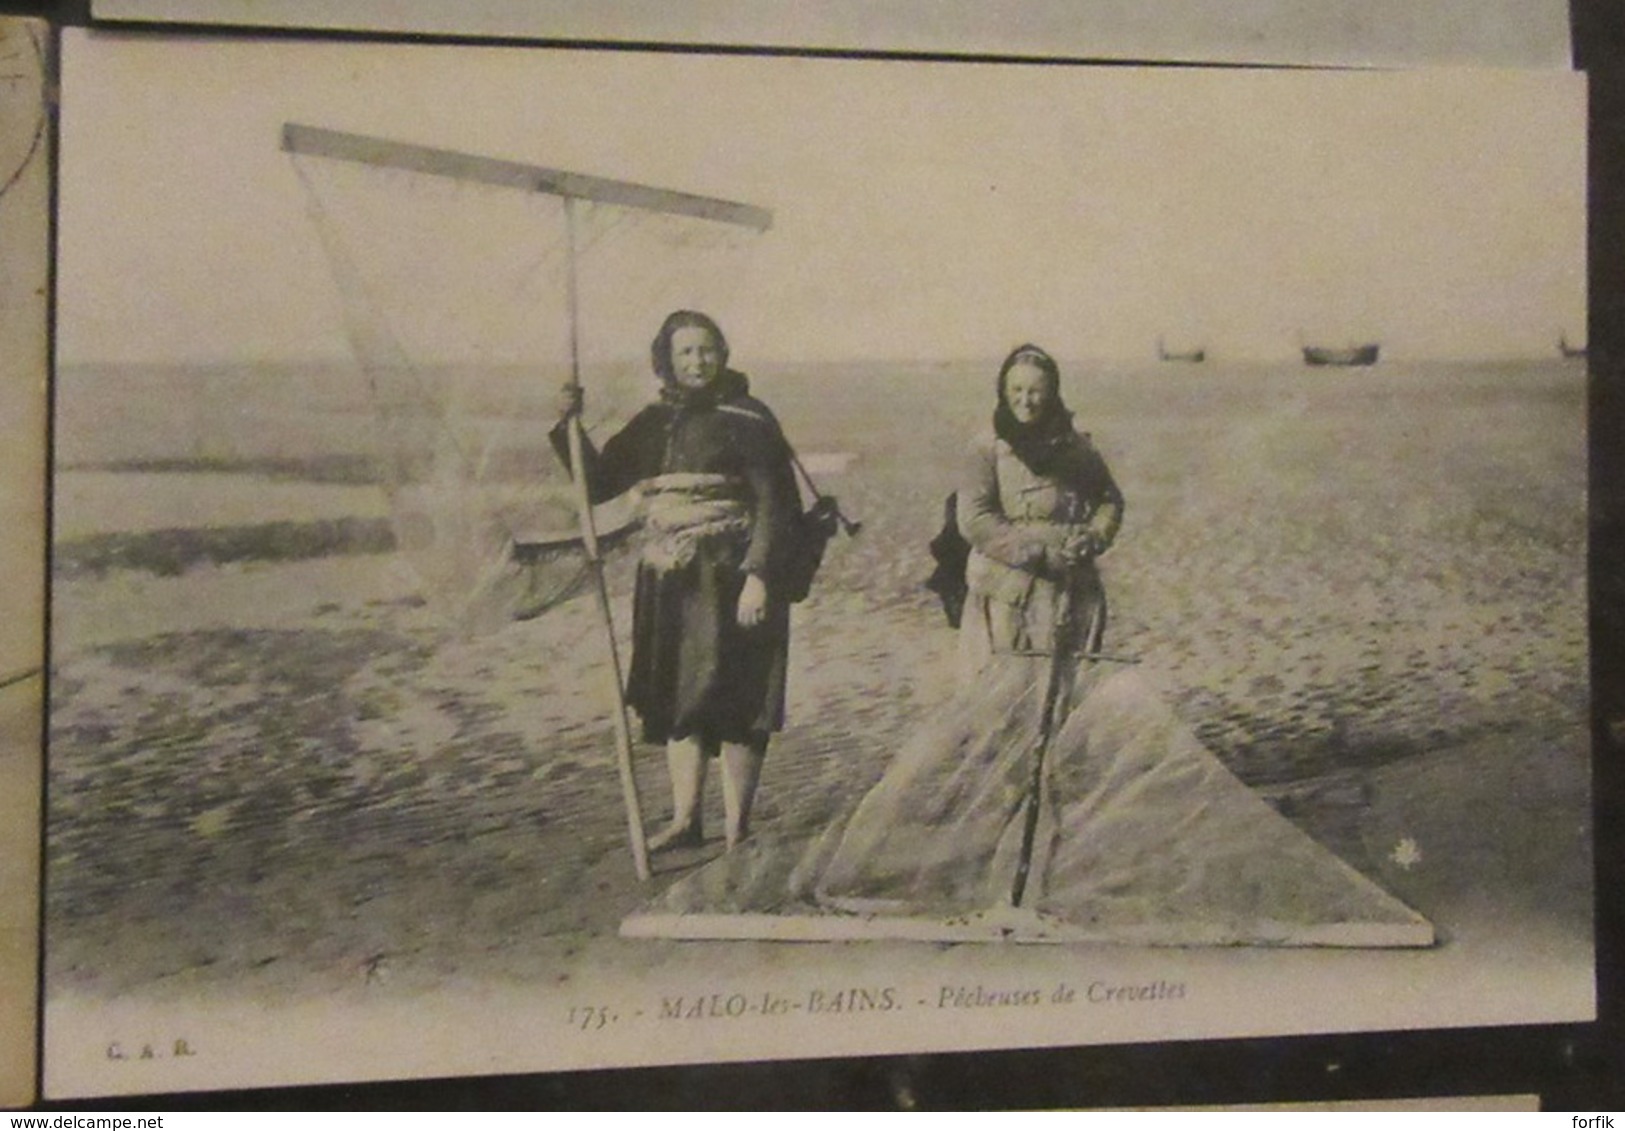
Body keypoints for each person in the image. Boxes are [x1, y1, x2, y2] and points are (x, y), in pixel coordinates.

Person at [795, 343, 1125, 913]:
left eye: (1037, 392)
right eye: (1017, 391)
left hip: (1071, 598)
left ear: (1052, 395)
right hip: (1008, 597)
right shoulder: (985, 449)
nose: (1027, 400)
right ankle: (1003, 831)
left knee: (1062, 714)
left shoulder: (1077, 447)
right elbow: (974, 520)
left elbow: (1109, 501)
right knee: (1003, 714)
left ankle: (1048, 838)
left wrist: (1091, 537)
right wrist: (1033, 551)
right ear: (1003, 392)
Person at [553, 310, 798, 852]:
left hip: (733, 576)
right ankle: (687, 819)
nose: (698, 362)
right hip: (670, 579)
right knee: (678, 698)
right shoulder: (654, 422)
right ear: (666, 360)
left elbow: (776, 504)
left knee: (740, 700)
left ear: (723, 352)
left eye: (706, 349)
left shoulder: (750, 418)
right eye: (685, 352)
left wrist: (759, 576)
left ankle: (738, 829)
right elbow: (599, 485)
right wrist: (570, 426)